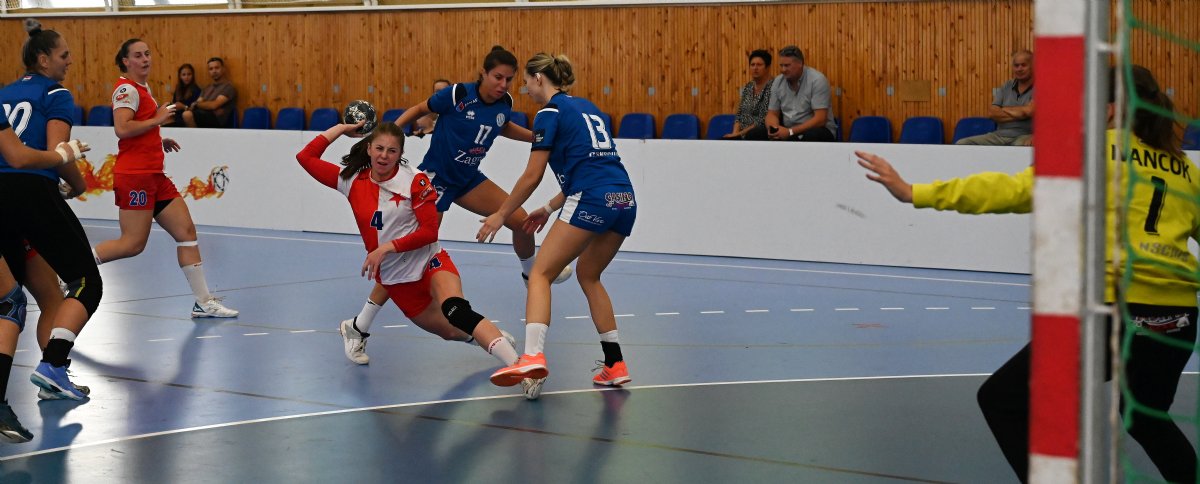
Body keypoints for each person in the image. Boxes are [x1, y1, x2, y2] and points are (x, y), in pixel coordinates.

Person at [857, 65, 1196, 483]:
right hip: (1177, 319)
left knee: (1002, 399)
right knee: (1147, 417)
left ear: (1108, 109)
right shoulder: (1184, 169)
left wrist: (917, 193)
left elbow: (1011, 190)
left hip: (1113, 313)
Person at [339, 46, 570, 366]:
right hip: (436, 180)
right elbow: (419, 108)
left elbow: (502, 126)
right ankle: (358, 326)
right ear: (483, 73)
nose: (503, 84)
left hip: (468, 179)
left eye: (509, 79)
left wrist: (537, 137)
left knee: (521, 222)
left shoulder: (504, 103)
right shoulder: (458, 95)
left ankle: (532, 276)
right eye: (497, 77)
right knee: (407, 257)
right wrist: (390, 139)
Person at [295, 121, 521, 377]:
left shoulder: (415, 181)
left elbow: (429, 232)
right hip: (397, 281)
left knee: (456, 310)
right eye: (379, 148)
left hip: (430, 261)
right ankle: (484, 338)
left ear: (400, 154)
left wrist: (387, 248)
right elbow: (305, 157)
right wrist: (340, 128)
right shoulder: (351, 181)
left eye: (392, 151)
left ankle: (519, 365)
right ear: (368, 149)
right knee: (451, 332)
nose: (384, 156)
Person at [480, 52, 637, 400]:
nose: (525, 89)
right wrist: (549, 208)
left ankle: (532, 356)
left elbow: (532, 175)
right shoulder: (588, 108)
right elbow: (591, 165)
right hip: (624, 199)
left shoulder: (548, 113)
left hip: (592, 197)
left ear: (539, 78)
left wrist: (502, 214)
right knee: (589, 275)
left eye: (525, 82)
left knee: (540, 273)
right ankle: (615, 364)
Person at [90, 39, 238, 319]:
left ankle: (203, 302)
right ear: (125, 62)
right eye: (138, 55)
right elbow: (122, 128)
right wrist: (156, 121)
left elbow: (139, 128)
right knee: (132, 244)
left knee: (187, 233)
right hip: (136, 177)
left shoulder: (143, 89)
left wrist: (157, 139)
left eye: (147, 54)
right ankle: (72, 270)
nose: (145, 59)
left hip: (155, 176)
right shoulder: (126, 89)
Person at [0, 19, 97, 404]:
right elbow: (59, 152)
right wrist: (79, 184)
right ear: (43, 59)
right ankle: (53, 368)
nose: (69, 61)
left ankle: (53, 378)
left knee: (32, 297)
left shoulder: (4, 93)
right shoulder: (56, 93)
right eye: (64, 55)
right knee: (85, 282)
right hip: (31, 192)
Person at [759, 45, 837, 142]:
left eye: (787, 65)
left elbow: (820, 119)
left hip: (817, 130)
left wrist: (790, 131)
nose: (783, 70)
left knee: (811, 135)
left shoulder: (817, 80)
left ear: (800, 64)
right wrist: (774, 129)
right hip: (789, 131)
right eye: (781, 66)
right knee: (756, 133)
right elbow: (772, 114)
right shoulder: (778, 81)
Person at [956, 50, 1034, 146]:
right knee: (962, 143)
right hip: (999, 136)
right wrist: (1022, 112)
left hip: (1024, 136)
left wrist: (1003, 109)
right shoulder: (1006, 86)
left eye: (1023, 65)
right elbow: (992, 113)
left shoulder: (1040, 87)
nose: (1019, 69)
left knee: (1021, 147)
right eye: (1016, 65)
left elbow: (1030, 111)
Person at [723, 50, 773, 140]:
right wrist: (735, 133)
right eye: (752, 65)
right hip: (741, 134)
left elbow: (762, 119)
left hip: (759, 134)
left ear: (767, 67)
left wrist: (739, 134)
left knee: (754, 134)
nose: (755, 68)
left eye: (759, 65)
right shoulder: (748, 86)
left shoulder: (773, 87)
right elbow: (739, 114)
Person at [180, 57, 236, 129]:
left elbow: (214, 105)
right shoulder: (207, 88)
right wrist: (200, 105)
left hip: (217, 121)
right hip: (203, 116)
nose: (214, 71)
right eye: (211, 69)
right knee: (174, 118)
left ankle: (196, 136)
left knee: (187, 115)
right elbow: (196, 104)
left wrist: (199, 104)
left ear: (223, 69)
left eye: (217, 68)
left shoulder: (228, 87)